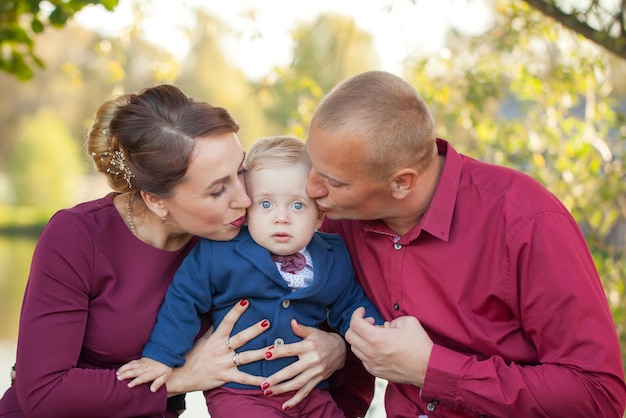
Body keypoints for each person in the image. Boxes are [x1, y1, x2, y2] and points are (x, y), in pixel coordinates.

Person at [0, 85, 350, 417]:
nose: (244, 199)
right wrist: (180, 380)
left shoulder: (249, 232)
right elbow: (44, 394)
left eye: (239, 172)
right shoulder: (77, 236)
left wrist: (337, 349)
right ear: (156, 201)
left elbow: (314, 295)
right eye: (217, 190)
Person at [305, 70, 626, 417]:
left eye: (333, 181)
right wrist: (337, 348)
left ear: (402, 183)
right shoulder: (334, 218)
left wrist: (430, 369)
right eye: (311, 164)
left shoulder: (526, 220)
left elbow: (598, 396)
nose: (310, 188)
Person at [117, 135, 383, 416]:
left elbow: (350, 304)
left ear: (319, 216)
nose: (282, 218)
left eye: (297, 205)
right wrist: (161, 357)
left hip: (307, 390)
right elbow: (184, 299)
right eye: (266, 204)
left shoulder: (331, 256)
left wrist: (375, 332)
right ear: (247, 211)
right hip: (240, 392)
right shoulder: (218, 253)